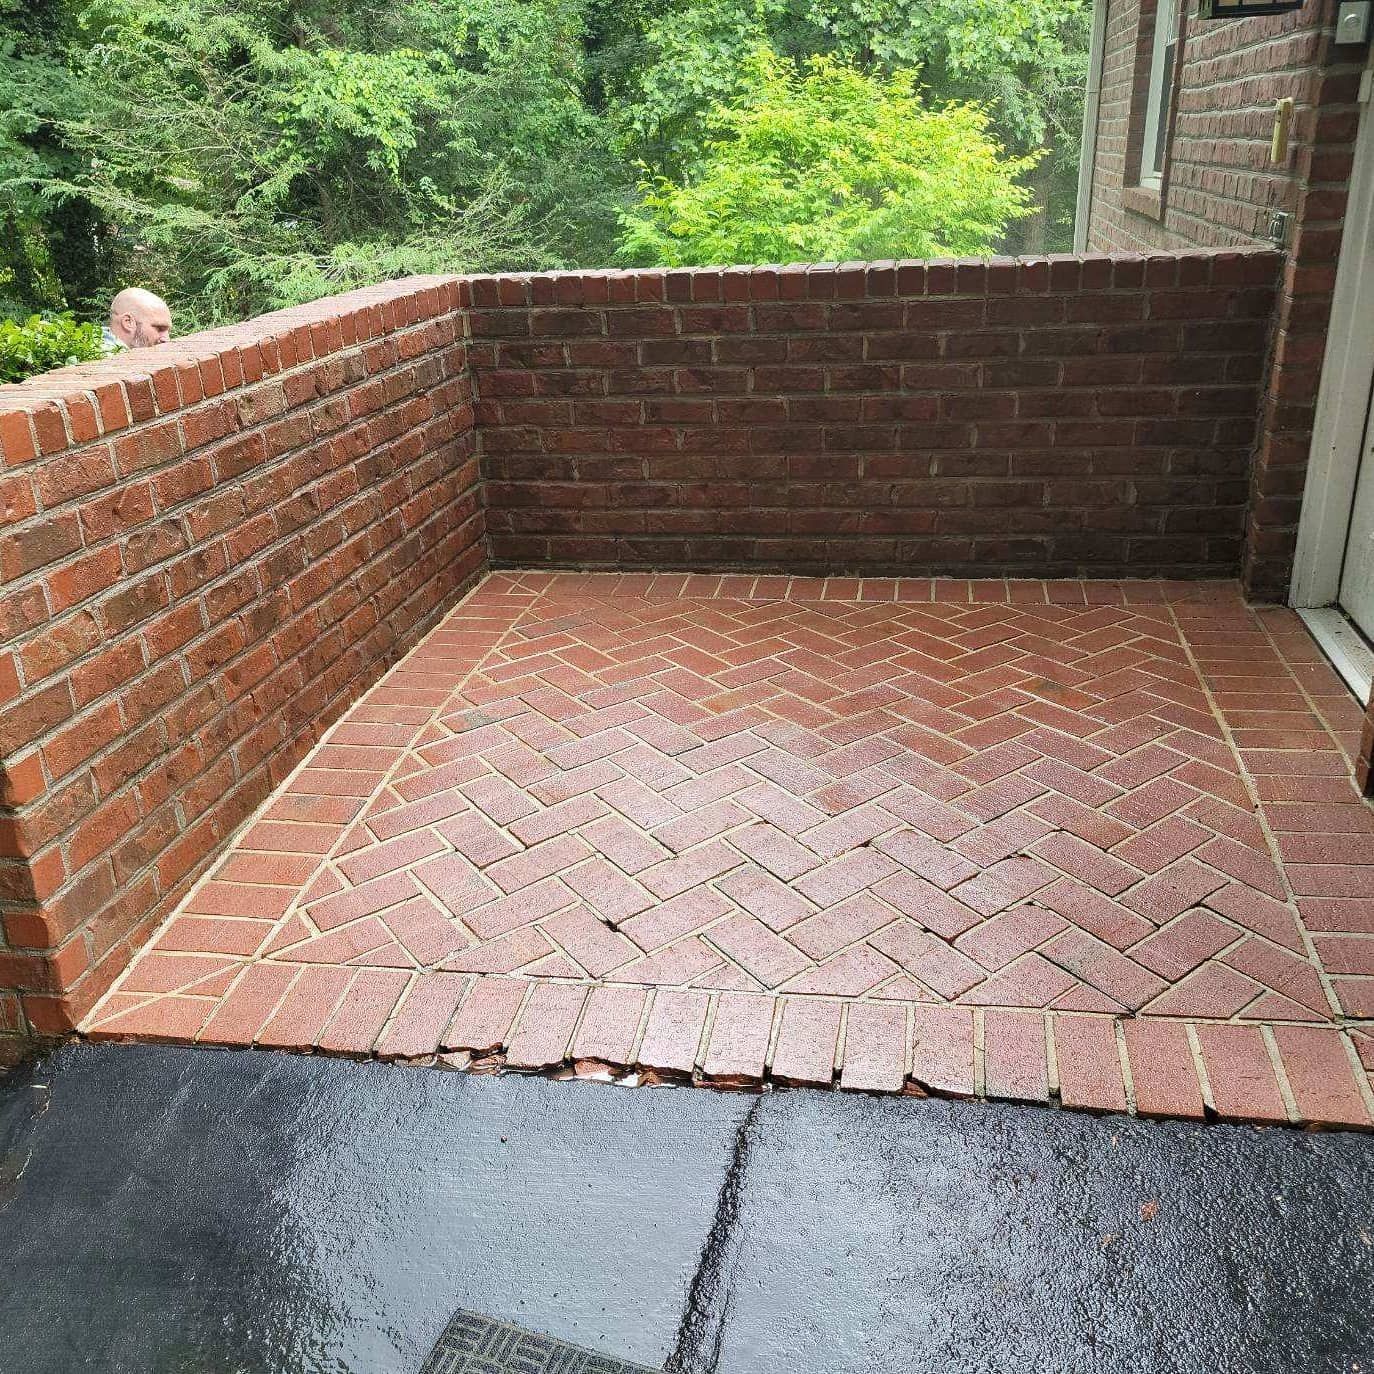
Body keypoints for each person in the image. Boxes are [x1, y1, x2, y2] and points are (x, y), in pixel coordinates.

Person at [102, 288, 173, 352]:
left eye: (168, 331)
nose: (167, 339)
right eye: (159, 329)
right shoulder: (105, 360)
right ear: (128, 322)